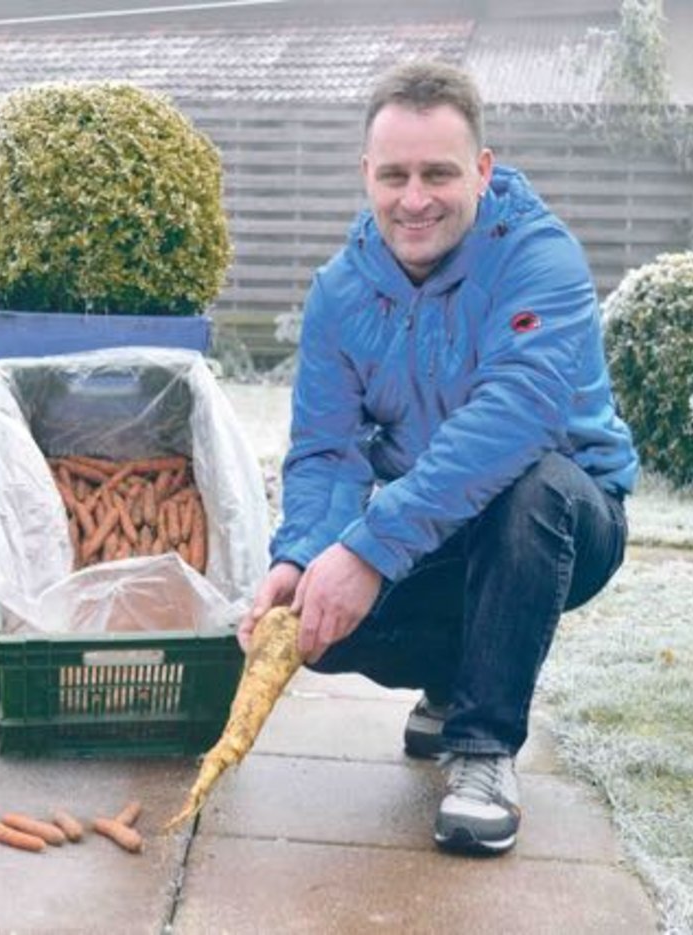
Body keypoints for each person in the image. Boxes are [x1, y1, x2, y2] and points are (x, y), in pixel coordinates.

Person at [239, 60, 638, 856]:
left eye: (438, 173)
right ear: (366, 174)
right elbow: (326, 449)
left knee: (533, 488)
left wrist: (372, 548)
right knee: (319, 620)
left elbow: (516, 417)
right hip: (440, 530)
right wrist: (305, 553)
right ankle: (453, 681)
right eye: (394, 174)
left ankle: (483, 749)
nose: (413, 198)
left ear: (482, 170)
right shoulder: (339, 293)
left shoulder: (540, 259)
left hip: (565, 519)